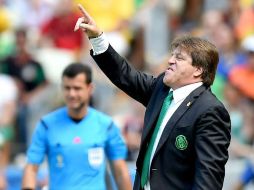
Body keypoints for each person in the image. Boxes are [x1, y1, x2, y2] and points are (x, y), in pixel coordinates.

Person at [74, 4, 231, 190]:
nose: (171, 60)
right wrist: (97, 38)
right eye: (172, 55)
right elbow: (125, 75)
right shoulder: (161, 89)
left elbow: (208, 178)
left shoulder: (209, 110)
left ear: (198, 70)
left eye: (179, 58)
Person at [22, 63, 132, 190]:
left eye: (77, 88)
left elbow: (119, 171)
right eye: (67, 88)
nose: (72, 94)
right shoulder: (47, 125)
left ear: (90, 89)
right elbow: (31, 167)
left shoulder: (106, 125)